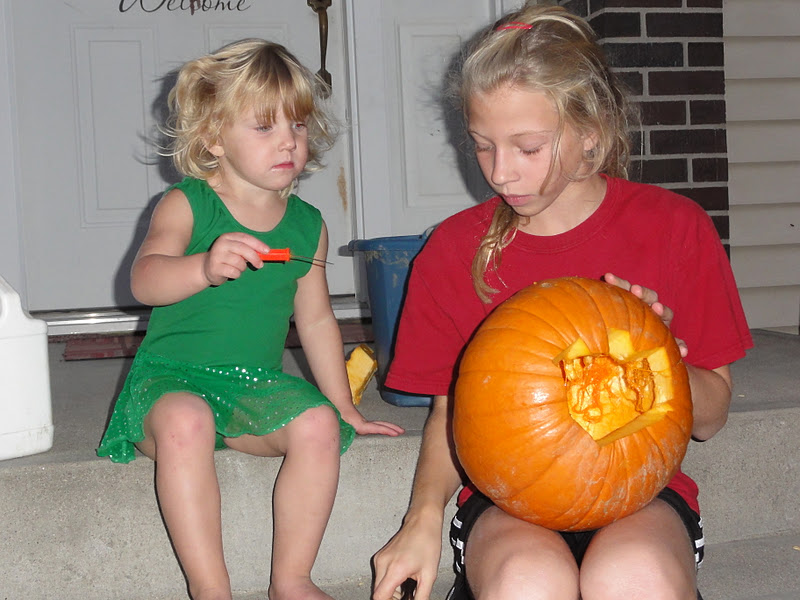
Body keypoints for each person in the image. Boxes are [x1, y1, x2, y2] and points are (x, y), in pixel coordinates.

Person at [371, 4, 752, 600]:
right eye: (483, 146)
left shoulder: (675, 227)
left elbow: (711, 419)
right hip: (503, 497)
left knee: (633, 578)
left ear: (590, 132)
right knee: (528, 583)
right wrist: (420, 519)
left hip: (643, 492)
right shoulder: (452, 250)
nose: (501, 173)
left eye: (528, 148)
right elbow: (451, 416)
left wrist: (657, 362)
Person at [96, 39, 403, 600]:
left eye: (298, 125)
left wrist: (342, 405)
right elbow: (143, 280)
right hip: (171, 382)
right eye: (264, 126)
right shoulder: (188, 204)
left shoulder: (307, 225)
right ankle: (211, 588)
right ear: (214, 138)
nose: (288, 140)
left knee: (318, 426)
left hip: (251, 388)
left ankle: (292, 579)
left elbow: (315, 320)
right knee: (187, 421)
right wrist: (201, 268)